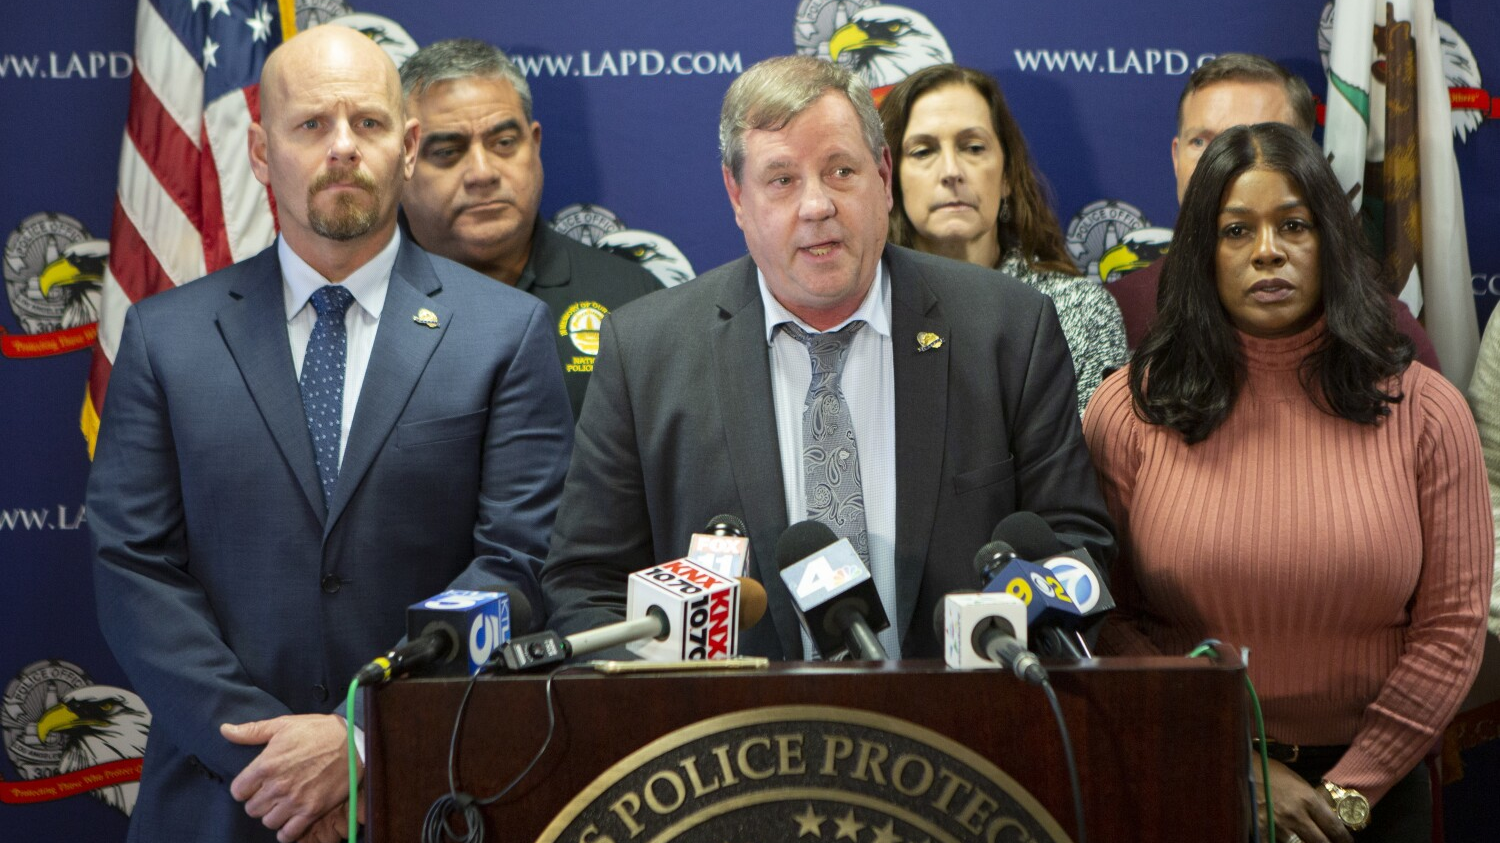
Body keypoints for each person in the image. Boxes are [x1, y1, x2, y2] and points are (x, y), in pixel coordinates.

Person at [87, 26, 573, 843]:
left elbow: (515, 561)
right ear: (259, 151)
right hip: (224, 795)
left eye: (369, 124)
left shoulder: (506, 332)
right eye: (312, 125)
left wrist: (357, 731)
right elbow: (133, 566)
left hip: (432, 791)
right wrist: (272, 757)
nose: (343, 148)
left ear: (409, 146)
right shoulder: (166, 337)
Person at [540, 55, 1114, 661]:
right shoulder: (646, 352)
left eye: (841, 170)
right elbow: (588, 588)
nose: (816, 206)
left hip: (958, 732)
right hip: (732, 740)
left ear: (883, 177)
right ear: (737, 196)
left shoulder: (1007, 329)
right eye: (782, 180)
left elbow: (1076, 551)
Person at [1084, 123, 1487, 843]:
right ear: (1202, 253)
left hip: (1375, 797)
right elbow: (1104, 615)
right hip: (1190, 771)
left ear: (1329, 238)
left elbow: (1452, 629)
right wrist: (1238, 765)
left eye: (1293, 224)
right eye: (1237, 229)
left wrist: (1346, 796)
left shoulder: (1426, 410)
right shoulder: (1129, 406)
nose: (1267, 250)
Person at [1105, 53, 1439, 371]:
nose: (1232, 161)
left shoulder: (1382, 331)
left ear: (1308, 161)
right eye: (1202, 142)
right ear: (1176, 157)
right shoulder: (1116, 313)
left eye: (1262, 137)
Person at [398, 38, 662, 419]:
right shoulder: (364, 302)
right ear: (403, 161)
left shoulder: (632, 301)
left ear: (534, 145)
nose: (483, 173)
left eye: (504, 143)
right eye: (447, 152)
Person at [879, 63, 1125, 414]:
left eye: (973, 147)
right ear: (891, 178)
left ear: (1008, 174)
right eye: (923, 151)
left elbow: (1085, 465)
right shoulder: (867, 310)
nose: (951, 171)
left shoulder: (1081, 313)